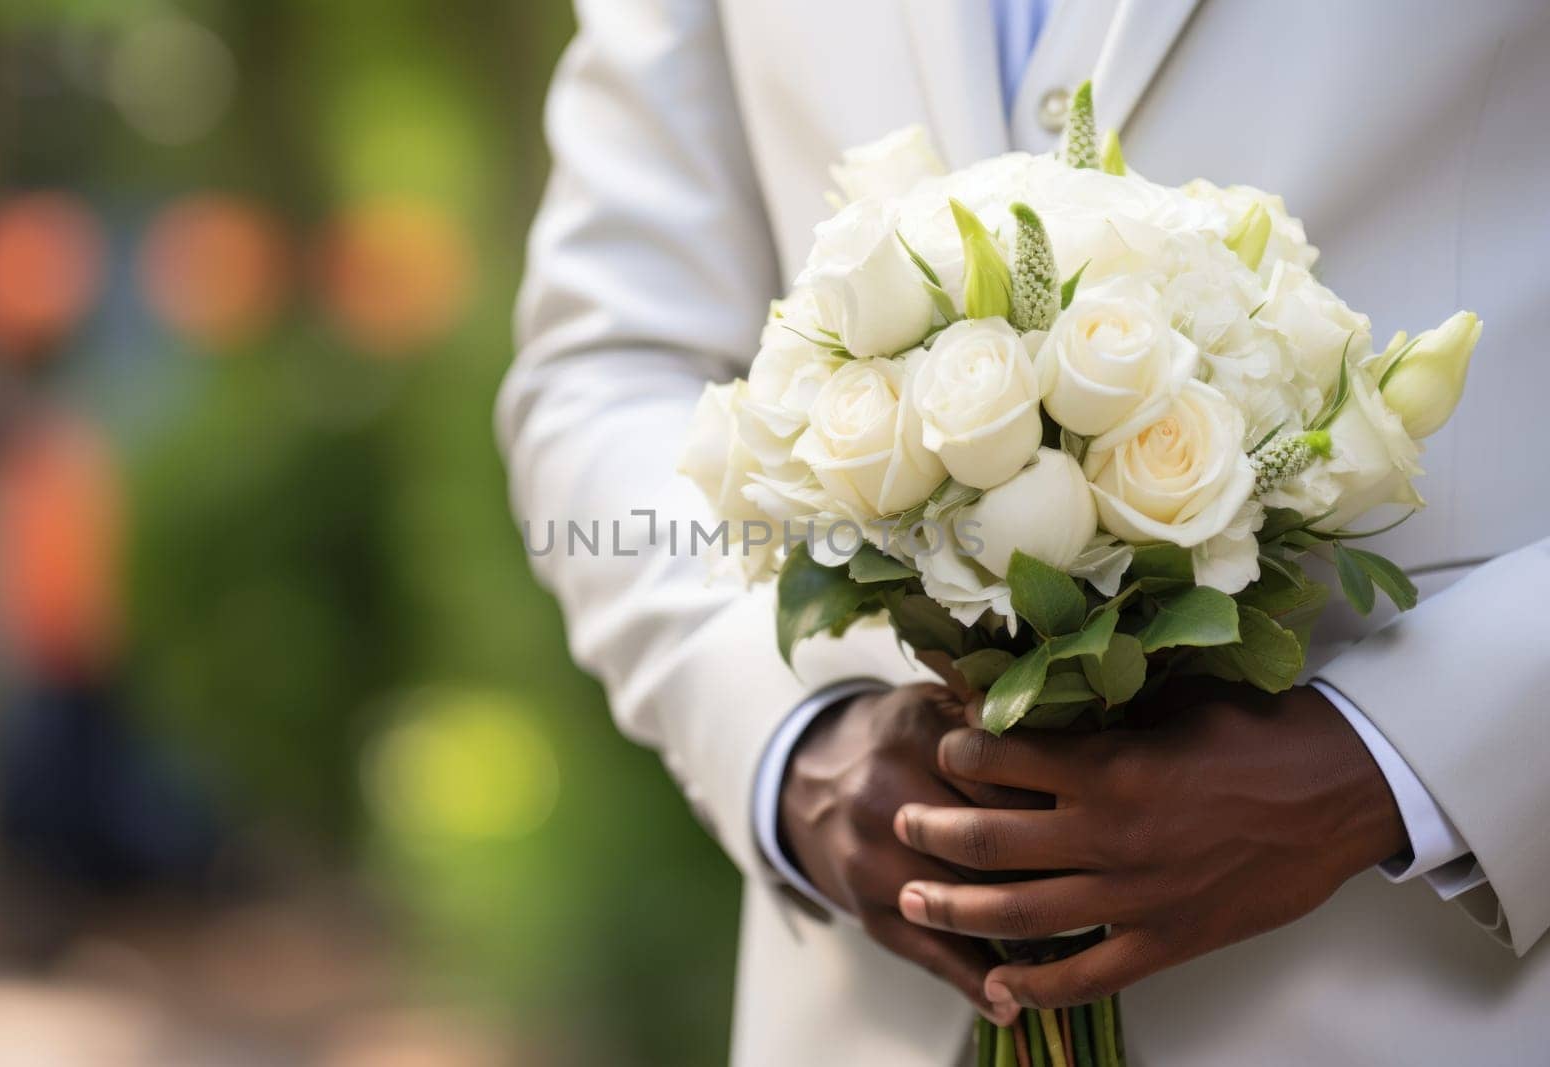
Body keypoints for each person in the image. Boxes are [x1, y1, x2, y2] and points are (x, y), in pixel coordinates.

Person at [498, 1, 1550, 1063]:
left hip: (1436, 994)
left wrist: (1398, 761)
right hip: (873, 1004)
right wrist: (788, 736)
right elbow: (609, 366)